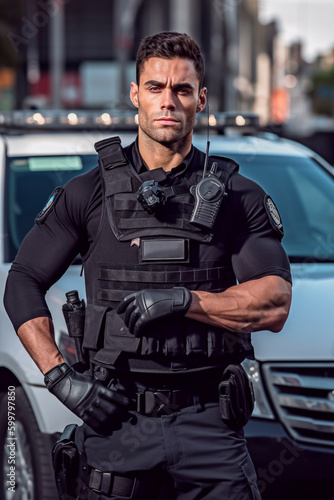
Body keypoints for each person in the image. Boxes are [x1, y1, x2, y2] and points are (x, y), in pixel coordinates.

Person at [4, 31, 292, 500]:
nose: (168, 101)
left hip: (210, 426)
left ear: (200, 98)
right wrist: (61, 380)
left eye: (181, 89)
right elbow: (22, 282)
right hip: (116, 418)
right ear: (136, 95)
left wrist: (185, 300)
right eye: (155, 87)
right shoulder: (88, 193)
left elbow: (274, 304)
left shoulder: (239, 197)